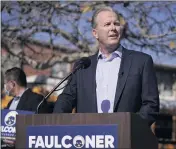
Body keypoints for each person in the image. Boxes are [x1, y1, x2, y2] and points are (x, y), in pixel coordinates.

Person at [53, 6, 159, 126]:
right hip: (88, 138)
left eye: (116, 23)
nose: (113, 28)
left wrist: (132, 128)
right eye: (107, 24)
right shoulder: (83, 66)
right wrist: (58, 125)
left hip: (125, 138)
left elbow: (151, 105)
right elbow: (66, 99)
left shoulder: (141, 62)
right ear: (95, 33)